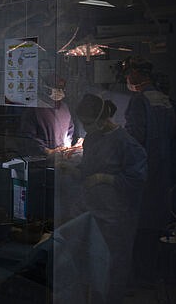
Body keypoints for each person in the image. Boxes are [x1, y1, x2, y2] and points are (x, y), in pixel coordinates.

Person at [75, 93, 147, 304]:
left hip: (116, 216)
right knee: (91, 264)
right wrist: (73, 171)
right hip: (91, 211)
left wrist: (104, 178)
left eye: (88, 123)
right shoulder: (92, 138)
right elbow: (87, 168)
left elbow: (136, 181)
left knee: (113, 265)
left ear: (102, 118)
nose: (86, 128)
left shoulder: (127, 144)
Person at [122, 55, 176, 284]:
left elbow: (135, 139)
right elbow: (170, 134)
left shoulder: (139, 100)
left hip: (142, 171)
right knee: (156, 222)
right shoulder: (164, 99)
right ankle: (153, 273)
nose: (126, 76)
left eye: (129, 71)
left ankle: (140, 277)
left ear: (137, 73)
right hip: (162, 170)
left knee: (139, 224)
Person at [13, 77, 79, 157]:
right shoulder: (35, 108)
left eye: (62, 88)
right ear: (46, 88)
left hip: (60, 158)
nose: (60, 91)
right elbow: (28, 138)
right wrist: (48, 152)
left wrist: (67, 147)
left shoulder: (64, 108)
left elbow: (70, 130)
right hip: (40, 160)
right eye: (57, 87)